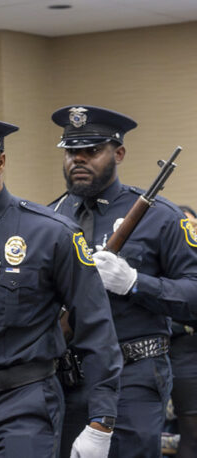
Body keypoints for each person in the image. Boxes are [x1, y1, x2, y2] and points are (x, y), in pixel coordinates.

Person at [0, 114, 122, 457]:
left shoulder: (50, 233)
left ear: (0, 162)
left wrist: (101, 421)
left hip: (22, 402)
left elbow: (96, 328)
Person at [49, 105, 197, 458]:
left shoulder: (160, 217)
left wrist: (135, 283)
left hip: (133, 375)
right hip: (67, 376)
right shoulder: (49, 217)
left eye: (92, 151)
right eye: (72, 152)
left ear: (118, 153)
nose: (79, 160)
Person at [168, 205, 197, 457]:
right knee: (192, 433)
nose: (191, 231)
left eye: (195, 226)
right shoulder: (168, 262)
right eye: (186, 226)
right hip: (183, 354)